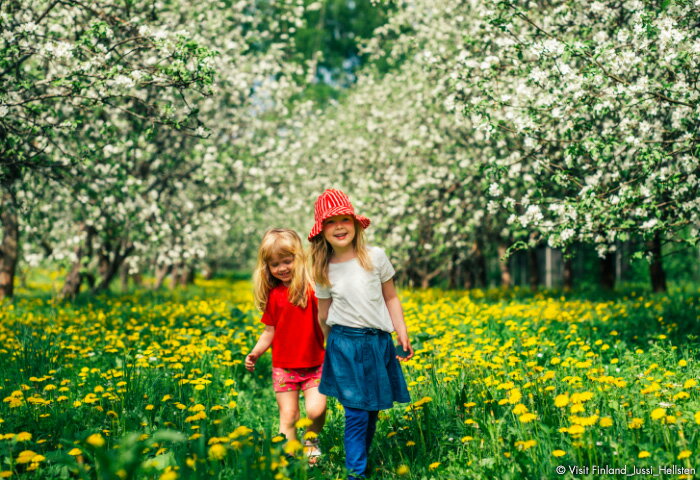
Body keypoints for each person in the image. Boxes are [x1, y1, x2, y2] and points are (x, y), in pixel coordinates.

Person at [308, 189, 414, 480]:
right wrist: (332, 346)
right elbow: (323, 314)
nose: (340, 226)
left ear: (355, 223)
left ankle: (361, 463)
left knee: (371, 411)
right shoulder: (323, 269)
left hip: (378, 343)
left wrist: (401, 332)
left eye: (345, 219)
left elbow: (391, 298)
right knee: (356, 413)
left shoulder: (375, 257)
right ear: (321, 230)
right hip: (345, 345)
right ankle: (356, 474)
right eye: (331, 222)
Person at [245, 228, 327, 464]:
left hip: (315, 364)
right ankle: (291, 459)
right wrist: (256, 352)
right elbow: (269, 331)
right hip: (284, 368)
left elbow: (325, 320)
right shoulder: (274, 295)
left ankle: (310, 440)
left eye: (287, 261)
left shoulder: (312, 290)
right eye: (275, 264)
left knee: (316, 410)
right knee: (288, 415)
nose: (282, 268)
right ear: (267, 267)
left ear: (298, 259)